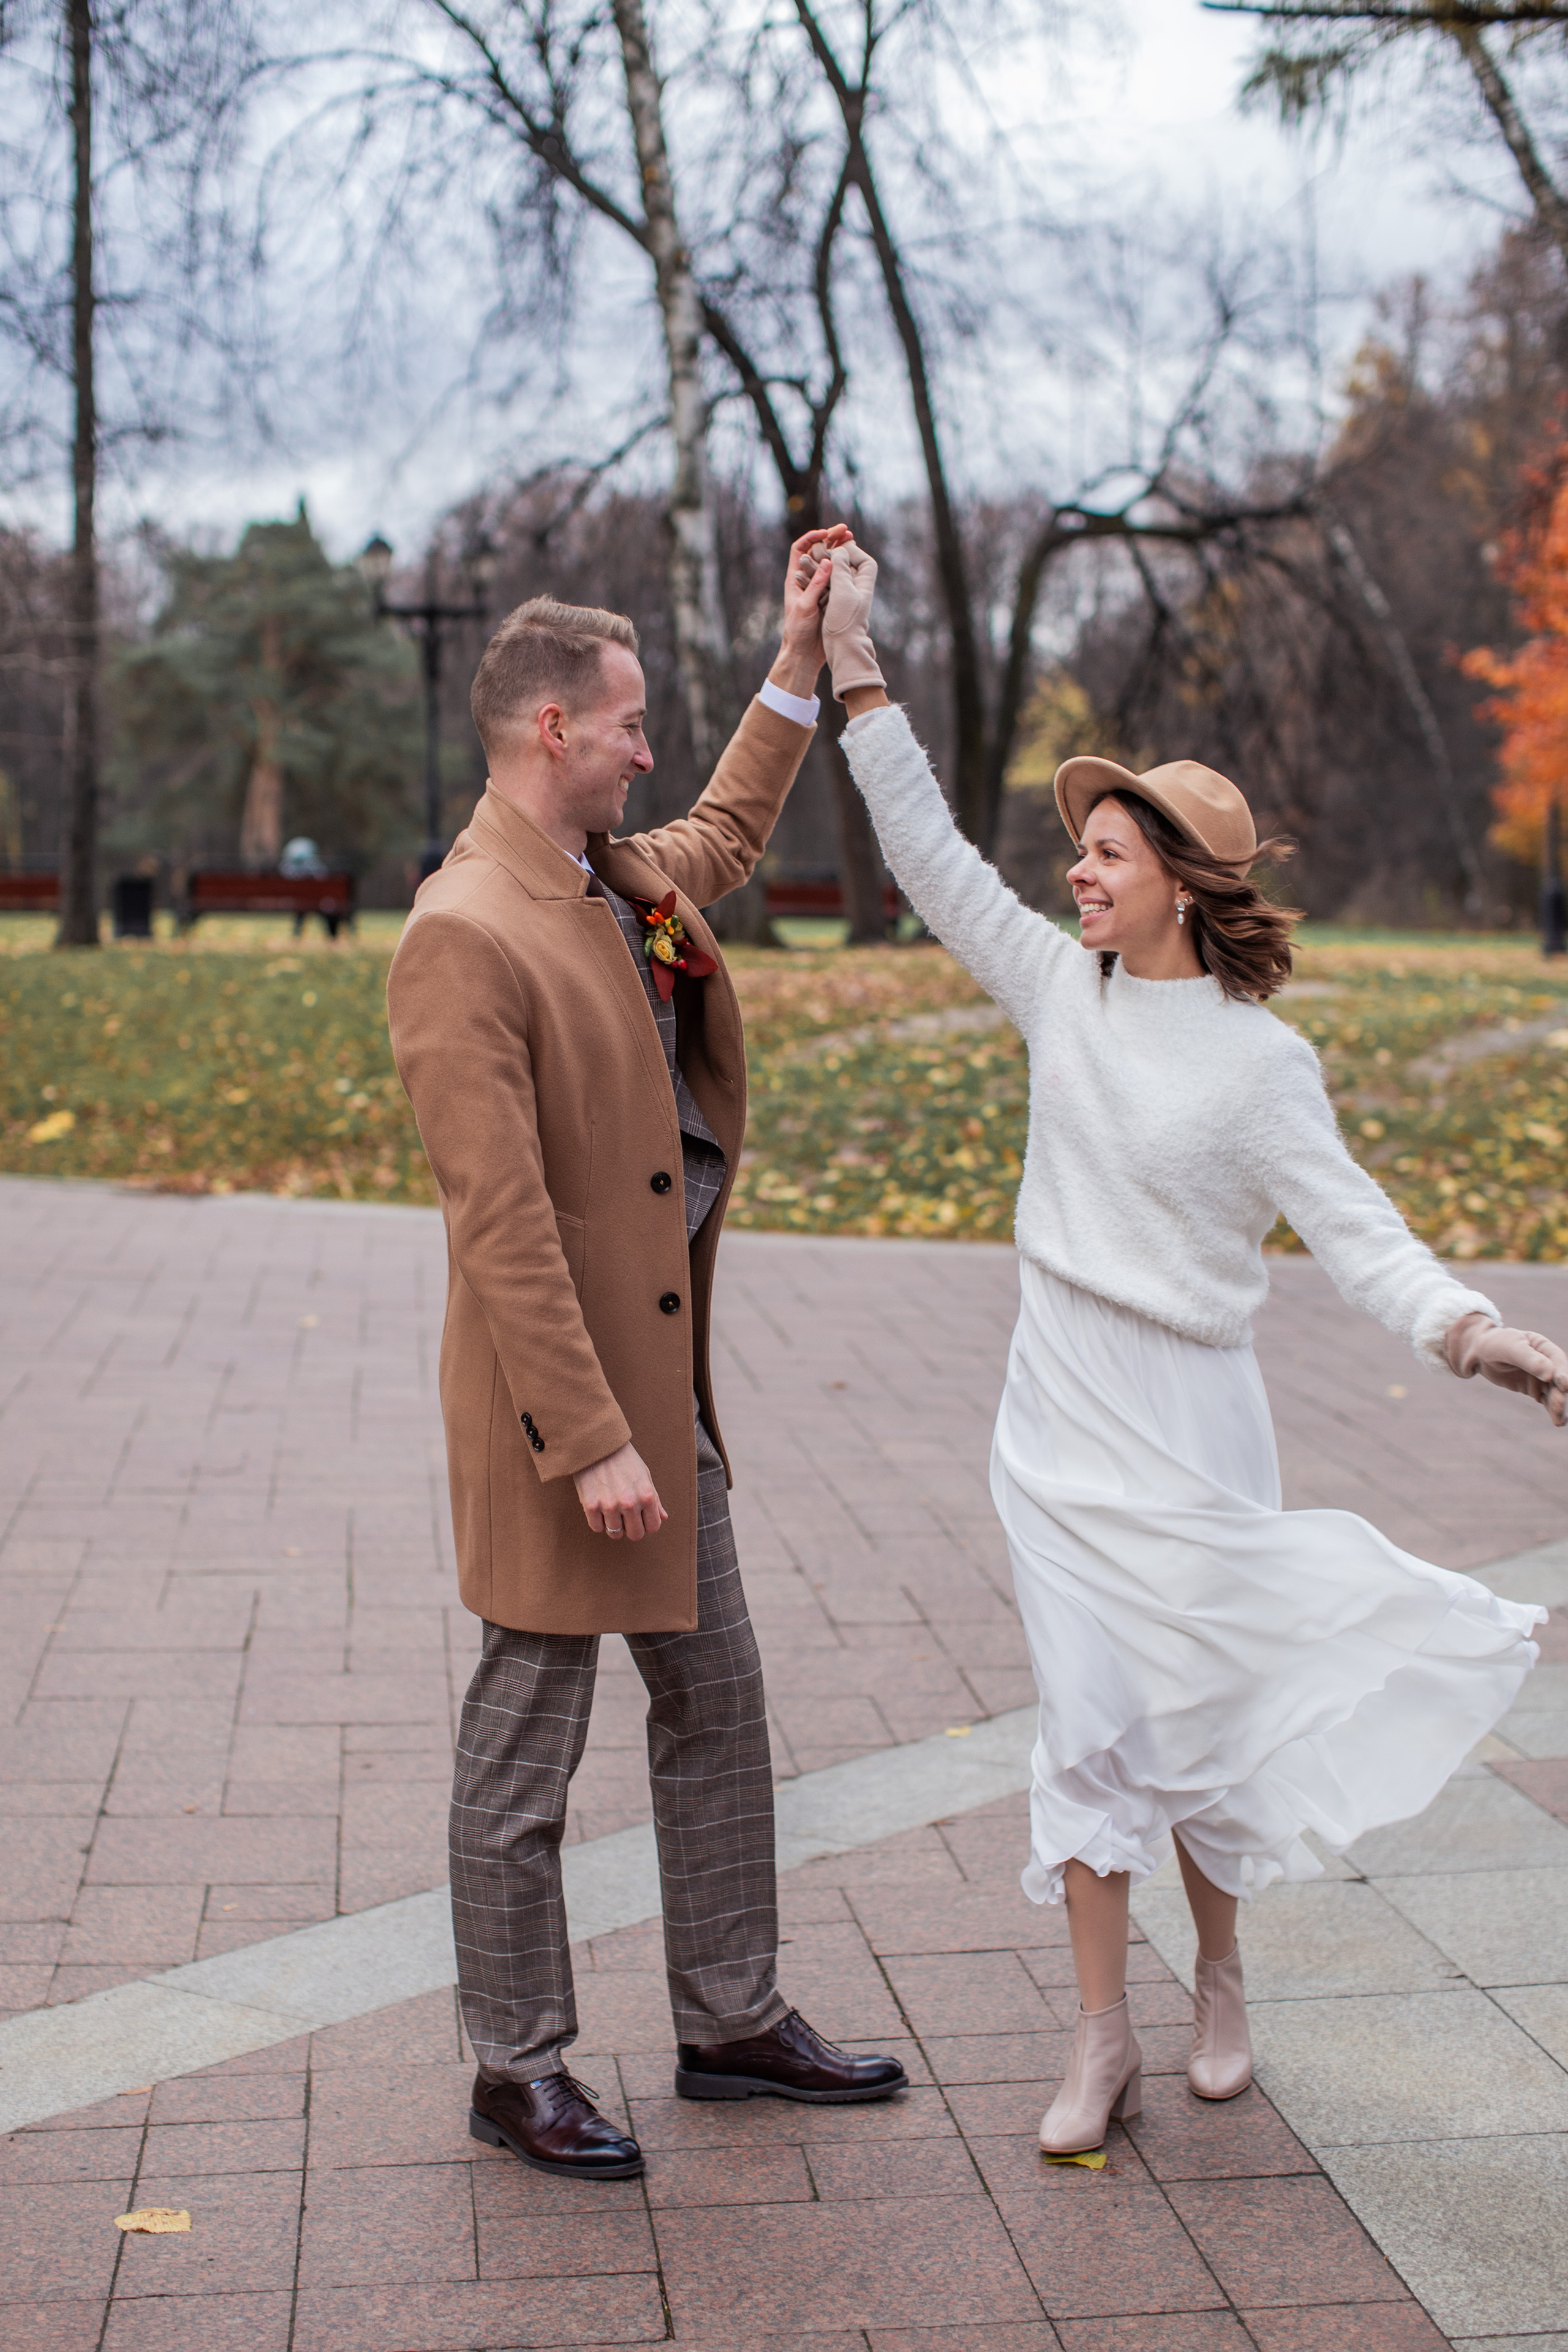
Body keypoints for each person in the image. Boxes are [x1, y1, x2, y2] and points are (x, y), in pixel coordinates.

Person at [812, 537, 1561, 2156]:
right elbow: (929, 852)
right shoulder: (1055, 991)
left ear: (1176, 879)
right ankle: (1102, 2037)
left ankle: (1220, 1975)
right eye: (1078, 852)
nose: (1077, 875)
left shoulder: (1261, 1066)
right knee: (1089, 1719)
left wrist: (1472, 1330)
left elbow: (1357, 1230)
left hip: (1196, 1416)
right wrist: (855, 664)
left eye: (1104, 854)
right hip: (1059, 1411)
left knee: (1203, 1717)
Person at [386, 530, 906, 2184]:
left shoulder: (610, 878)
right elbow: (501, 1221)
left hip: (666, 1407)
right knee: (525, 1751)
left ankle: (731, 2018)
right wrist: (594, 1435)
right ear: (554, 729)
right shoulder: (466, 929)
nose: (647, 748)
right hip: (566, 1427)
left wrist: (800, 654)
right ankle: (515, 2064)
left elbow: (730, 829)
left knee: (719, 1709)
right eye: (627, 722)